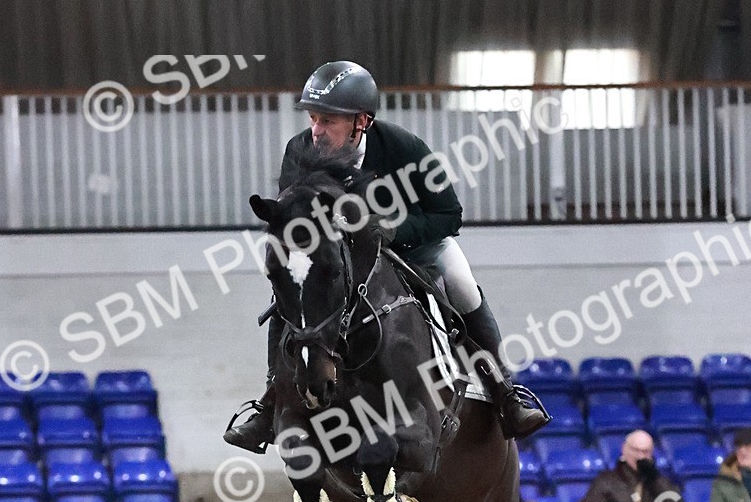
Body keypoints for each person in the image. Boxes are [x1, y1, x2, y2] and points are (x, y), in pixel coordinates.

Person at [224, 59, 549, 453]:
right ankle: (270, 402)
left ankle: (505, 392)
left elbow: (449, 215)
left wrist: (396, 230)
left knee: (463, 287)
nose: (316, 130)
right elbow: (297, 216)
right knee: (290, 299)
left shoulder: (404, 148)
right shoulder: (300, 150)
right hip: (344, 255)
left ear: (361, 121)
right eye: (313, 118)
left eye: (328, 121)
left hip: (415, 245)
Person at [561, 429, 684, 502]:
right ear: (624, 449)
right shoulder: (606, 482)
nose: (640, 456)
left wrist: (655, 478)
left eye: (646, 452)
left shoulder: (658, 482)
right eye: (636, 450)